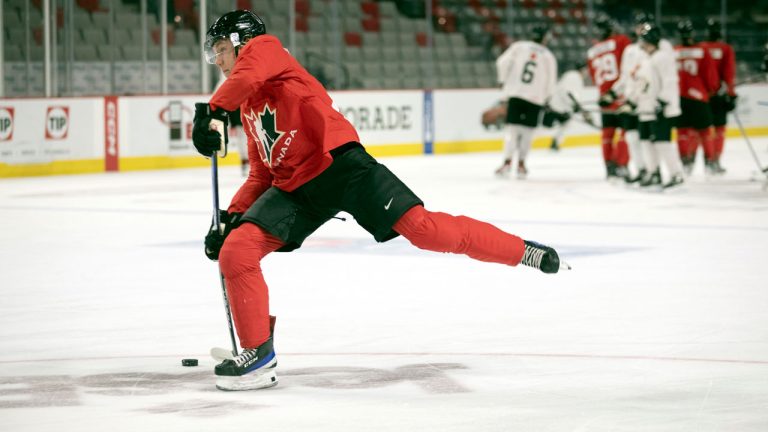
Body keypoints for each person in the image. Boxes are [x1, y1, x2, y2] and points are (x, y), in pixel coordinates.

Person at [192, 10, 569, 392]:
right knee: (236, 250)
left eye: (223, 50)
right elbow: (261, 173)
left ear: (243, 43)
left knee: (425, 230)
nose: (219, 61)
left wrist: (213, 110)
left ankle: (522, 251)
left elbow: (248, 73)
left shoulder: (268, 51)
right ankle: (258, 357)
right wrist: (230, 218)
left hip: (342, 166)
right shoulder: (248, 105)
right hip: (296, 189)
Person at [494, 24, 557, 179]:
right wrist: (548, 98)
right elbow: (551, 81)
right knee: (527, 134)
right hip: (535, 99)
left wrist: (502, 80)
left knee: (512, 131)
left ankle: (507, 162)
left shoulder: (518, 47)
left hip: (515, 94)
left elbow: (502, 63)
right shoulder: (548, 56)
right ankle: (521, 164)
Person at [626, 22, 684, 189]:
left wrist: (663, 101)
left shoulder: (662, 57)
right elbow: (642, 84)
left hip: (661, 109)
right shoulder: (647, 59)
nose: (640, 43)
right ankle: (654, 173)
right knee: (645, 141)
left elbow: (670, 81)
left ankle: (676, 174)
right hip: (647, 108)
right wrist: (632, 101)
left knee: (662, 142)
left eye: (643, 39)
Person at [674, 20, 719, 175]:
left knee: (682, 132)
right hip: (698, 97)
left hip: (679, 97)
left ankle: (685, 162)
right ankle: (710, 163)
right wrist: (712, 90)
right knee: (705, 131)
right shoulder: (702, 50)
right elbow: (710, 75)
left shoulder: (674, 51)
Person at [699, 19, 737, 175]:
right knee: (719, 130)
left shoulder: (700, 48)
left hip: (702, 96)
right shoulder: (725, 48)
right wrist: (731, 94)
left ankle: (709, 161)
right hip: (718, 95)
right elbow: (729, 73)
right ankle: (714, 161)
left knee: (705, 130)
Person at [541, 62, 594, 151]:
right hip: (558, 107)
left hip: (560, 107)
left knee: (566, 124)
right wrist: (575, 105)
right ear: (582, 69)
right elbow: (568, 93)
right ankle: (555, 142)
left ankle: (555, 142)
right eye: (586, 69)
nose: (587, 72)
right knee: (549, 126)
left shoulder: (573, 76)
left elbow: (569, 94)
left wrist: (576, 106)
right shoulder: (574, 76)